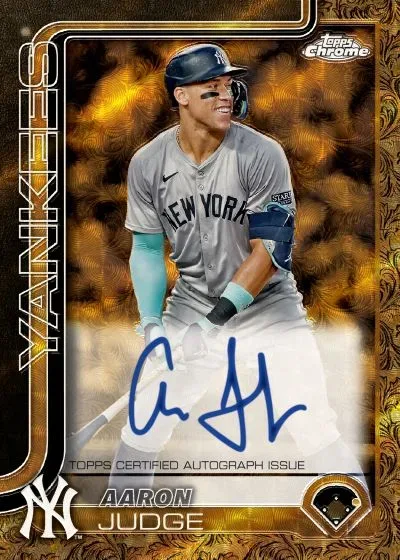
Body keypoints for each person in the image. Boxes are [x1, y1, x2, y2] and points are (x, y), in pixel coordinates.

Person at [109, 43, 368, 498]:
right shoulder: (148, 162)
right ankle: (122, 523)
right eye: (211, 89)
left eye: (228, 86)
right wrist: (152, 326)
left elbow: (269, 251)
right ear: (181, 97)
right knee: (146, 416)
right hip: (192, 302)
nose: (226, 96)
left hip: (269, 309)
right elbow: (147, 248)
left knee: (311, 422)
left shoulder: (262, 155)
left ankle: (359, 523)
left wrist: (214, 323)